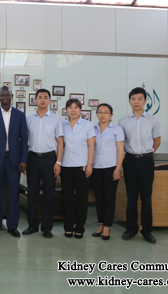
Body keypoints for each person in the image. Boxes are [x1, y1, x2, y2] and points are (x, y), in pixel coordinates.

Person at [118, 87, 161, 244]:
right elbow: (121, 143)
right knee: (131, 197)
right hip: (129, 161)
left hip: (146, 161)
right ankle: (131, 228)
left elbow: (157, 141)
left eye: (140, 98)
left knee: (146, 198)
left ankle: (147, 230)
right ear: (129, 101)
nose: (136, 102)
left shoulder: (153, 120)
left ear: (145, 101)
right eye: (133, 99)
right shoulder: (123, 121)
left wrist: (146, 153)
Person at [0, 86, 28, 237]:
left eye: (7, 94)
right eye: (2, 94)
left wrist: (24, 160)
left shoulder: (20, 115)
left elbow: (24, 140)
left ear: (12, 96)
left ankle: (12, 226)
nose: (4, 97)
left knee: (13, 195)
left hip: (14, 162)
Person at [23, 89, 64, 238]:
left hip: (49, 159)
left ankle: (47, 227)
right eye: (39, 97)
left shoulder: (55, 119)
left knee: (48, 194)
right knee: (32, 194)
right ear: (35, 100)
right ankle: (32, 225)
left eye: (45, 97)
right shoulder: (28, 119)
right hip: (32, 158)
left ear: (49, 101)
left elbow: (60, 141)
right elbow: (24, 142)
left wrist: (58, 161)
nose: (42, 100)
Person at [61, 99, 95, 239]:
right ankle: (68, 226)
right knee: (67, 198)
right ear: (66, 110)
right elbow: (59, 145)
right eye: (70, 107)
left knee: (82, 199)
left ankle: (80, 227)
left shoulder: (87, 125)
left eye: (76, 107)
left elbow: (91, 146)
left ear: (80, 109)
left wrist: (89, 165)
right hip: (66, 166)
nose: (73, 110)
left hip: (82, 167)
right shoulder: (62, 125)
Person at [92, 103, 124, 240]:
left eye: (106, 112)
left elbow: (121, 150)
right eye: (100, 112)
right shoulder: (92, 129)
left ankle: (107, 227)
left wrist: (118, 169)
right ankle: (100, 224)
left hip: (111, 168)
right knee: (98, 199)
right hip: (96, 168)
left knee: (109, 198)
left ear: (111, 115)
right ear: (97, 114)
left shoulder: (117, 129)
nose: (102, 114)